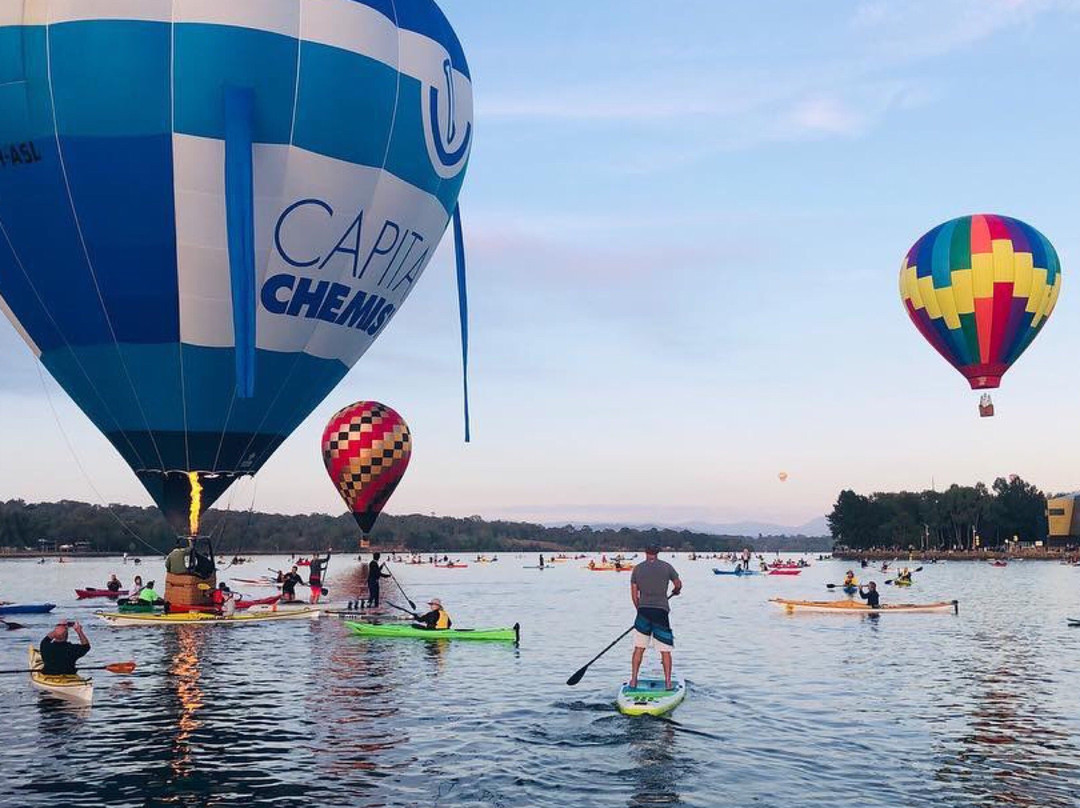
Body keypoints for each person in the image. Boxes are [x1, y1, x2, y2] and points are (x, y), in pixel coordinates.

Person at [629, 544, 682, 690]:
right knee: (665, 650)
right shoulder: (667, 567)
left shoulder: (637, 569)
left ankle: (633, 680)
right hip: (661, 612)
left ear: (645, 552)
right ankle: (668, 683)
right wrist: (676, 591)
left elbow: (634, 595)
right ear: (657, 553)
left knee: (639, 648)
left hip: (643, 611)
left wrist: (639, 611)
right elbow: (678, 584)